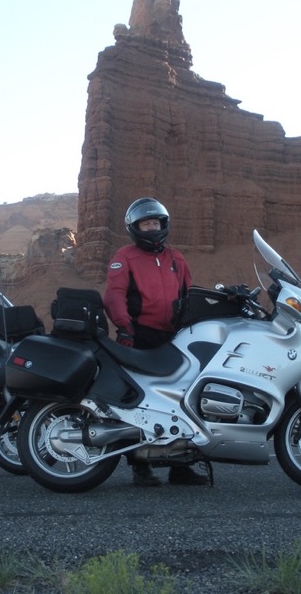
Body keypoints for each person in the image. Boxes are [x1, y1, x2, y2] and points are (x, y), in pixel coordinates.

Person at [103, 197, 210, 487]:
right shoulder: (125, 256)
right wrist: (125, 328)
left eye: (155, 223)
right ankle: (140, 467)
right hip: (139, 335)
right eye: (145, 224)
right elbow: (114, 294)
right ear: (135, 228)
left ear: (163, 225)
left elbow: (190, 295)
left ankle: (181, 467)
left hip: (175, 337)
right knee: (139, 403)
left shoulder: (177, 258)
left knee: (185, 398)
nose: (151, 228)